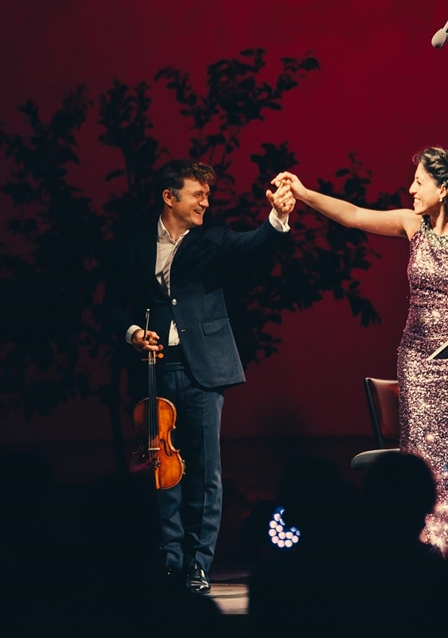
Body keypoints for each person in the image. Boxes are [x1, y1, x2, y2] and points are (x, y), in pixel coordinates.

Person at [272, 146, 448, 550]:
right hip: (415, 360)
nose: (411, 188)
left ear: (445, 188)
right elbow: (353, 214)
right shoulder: (412, 225)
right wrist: (306, 194)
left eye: (420, 182)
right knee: (418, 461)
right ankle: (419, 549)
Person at [103, 159, 295, 593]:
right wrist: (133, 333)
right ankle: (169, 560)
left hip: (203, 367)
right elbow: (112, 303)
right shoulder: (136, 244)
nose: (206, 202)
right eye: (198, 194)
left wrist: (278, 217)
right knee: (162, 469)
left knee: (205, 470)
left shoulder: (211, 236)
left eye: (208, 195)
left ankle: (198, 564)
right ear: (170, 198)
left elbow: (253, 245)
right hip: (154, 368)